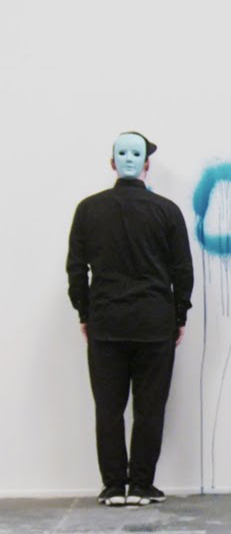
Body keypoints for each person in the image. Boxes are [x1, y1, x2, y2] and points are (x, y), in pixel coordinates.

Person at [66, 131, 193, 507]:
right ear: (147, 165)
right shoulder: (167, 211)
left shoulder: (88, 210)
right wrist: (179, 315)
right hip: (154, 323)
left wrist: (84, 311)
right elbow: (182, 270)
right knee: (149, 407)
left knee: (108, 408)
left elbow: (76, 268)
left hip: (106, 323)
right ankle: (140, 485)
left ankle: (112, 487)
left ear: (112, 165)